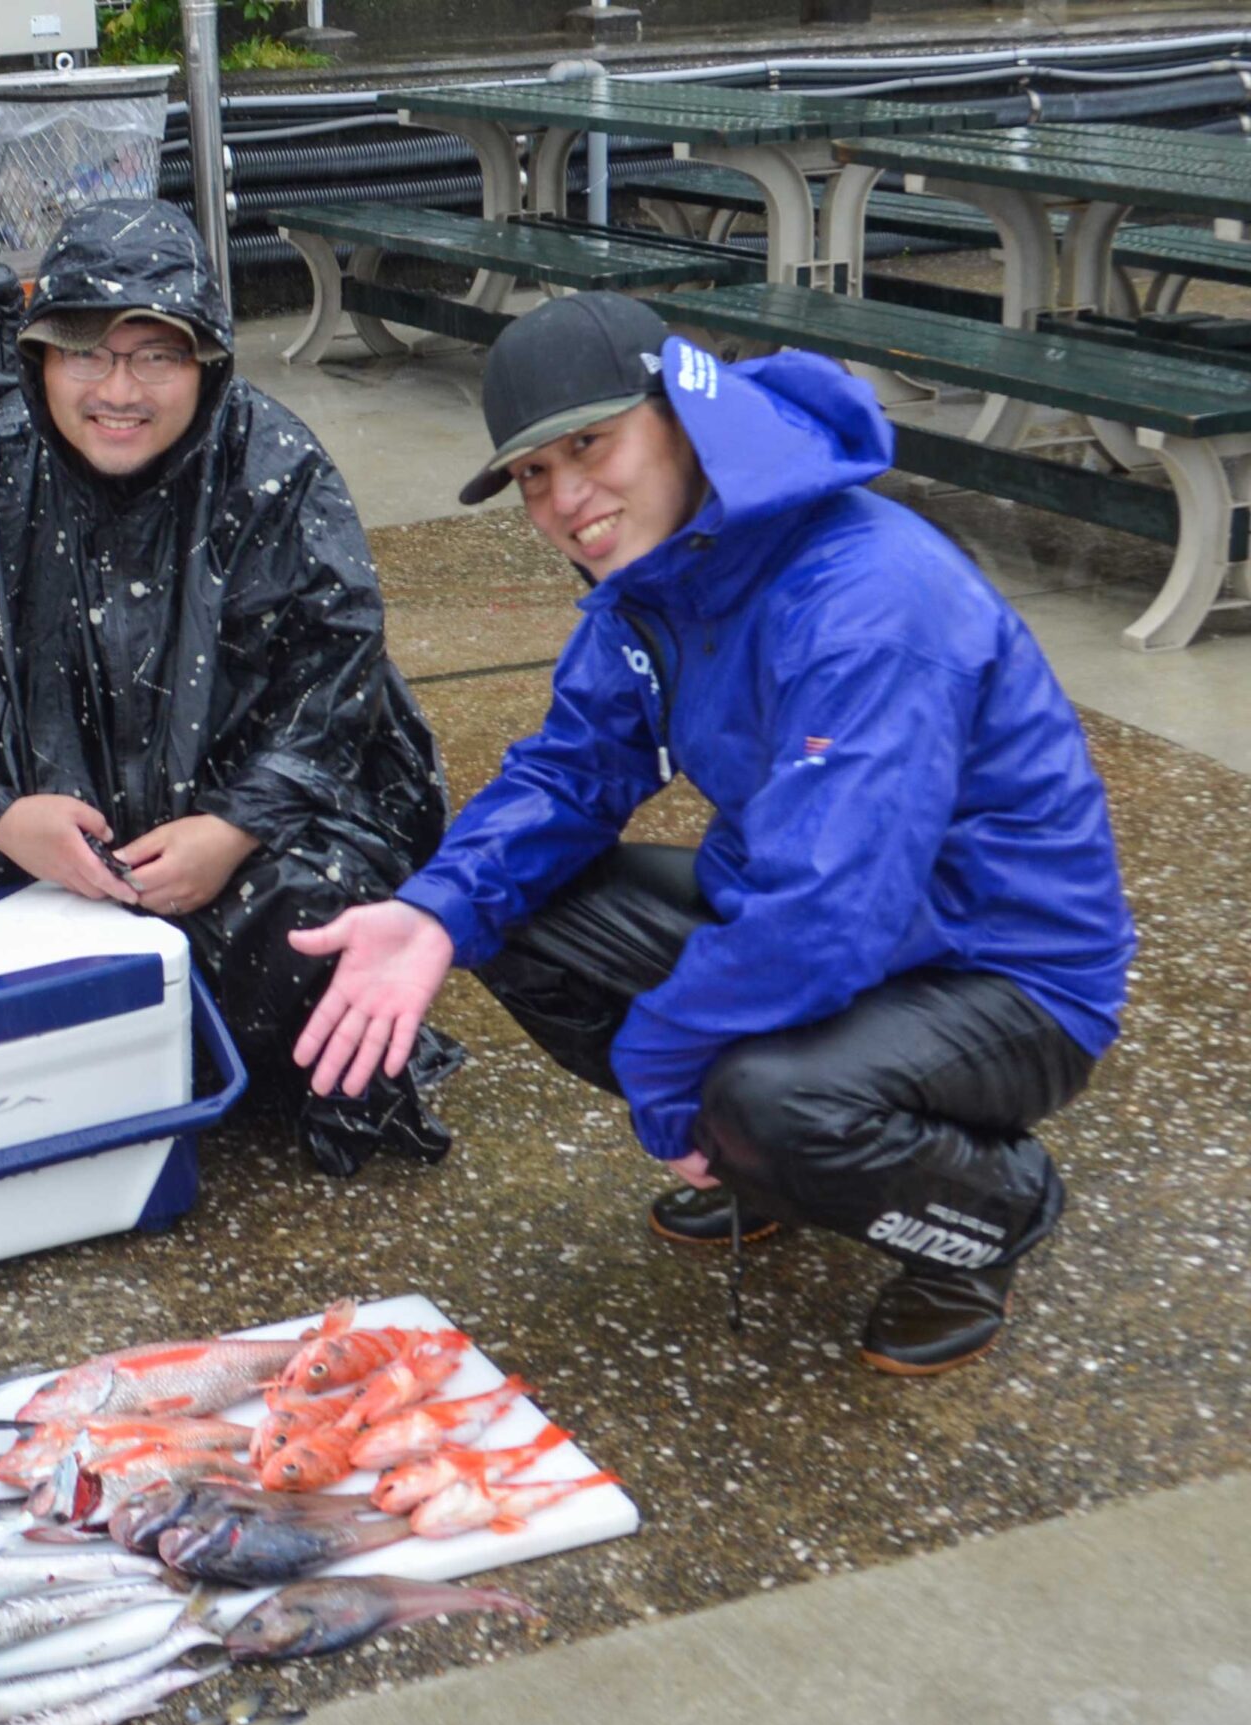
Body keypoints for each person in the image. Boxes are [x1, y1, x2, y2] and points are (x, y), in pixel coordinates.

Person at [293, 291, 1132, 1374]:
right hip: (840, 927)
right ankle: (765, 1160)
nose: (562, 499)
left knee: (767, 1099)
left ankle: (981, 1215)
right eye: (533, 474)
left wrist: (667, 1071)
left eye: (590, 443)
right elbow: (569, 770)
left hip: (1007, 976)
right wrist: (433, 910)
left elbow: (825, 913)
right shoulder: (663, 569)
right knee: (508, 912)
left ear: (682, 416)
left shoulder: (869, 597)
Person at [0, 199, 454, 1175]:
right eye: (85, 353)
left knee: (330, 923)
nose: (118, 389)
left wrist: (233, 830)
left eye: (155, 356)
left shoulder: (275, 467)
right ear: (39, 359)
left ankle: (152, 1059)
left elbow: (338, 675)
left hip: (236, 830)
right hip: (40, 829)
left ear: (207, 363)